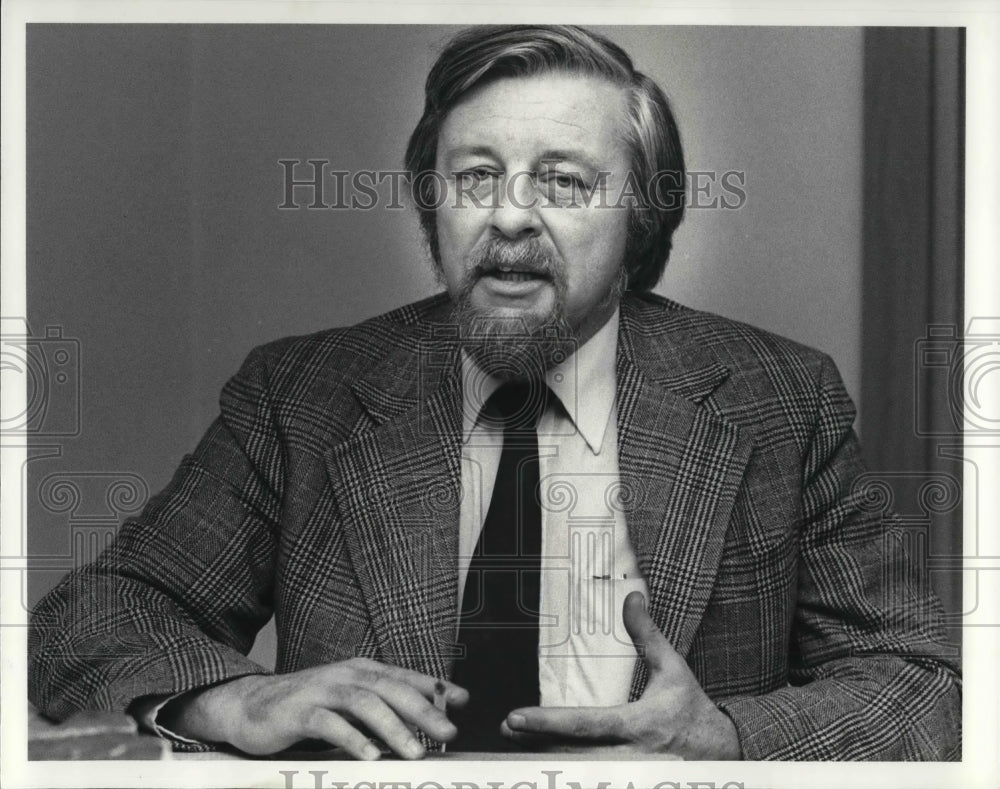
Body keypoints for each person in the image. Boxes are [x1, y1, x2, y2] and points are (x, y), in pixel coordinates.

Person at [28, 24, 960, 761]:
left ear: (642, 217)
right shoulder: (302, 394)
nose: (509, 213)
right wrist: (235, 697)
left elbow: (922, 677)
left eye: (563, 180)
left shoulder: (778, 399)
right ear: (431, 203)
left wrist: (728, 740)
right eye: (476, 175)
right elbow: (96, 614)